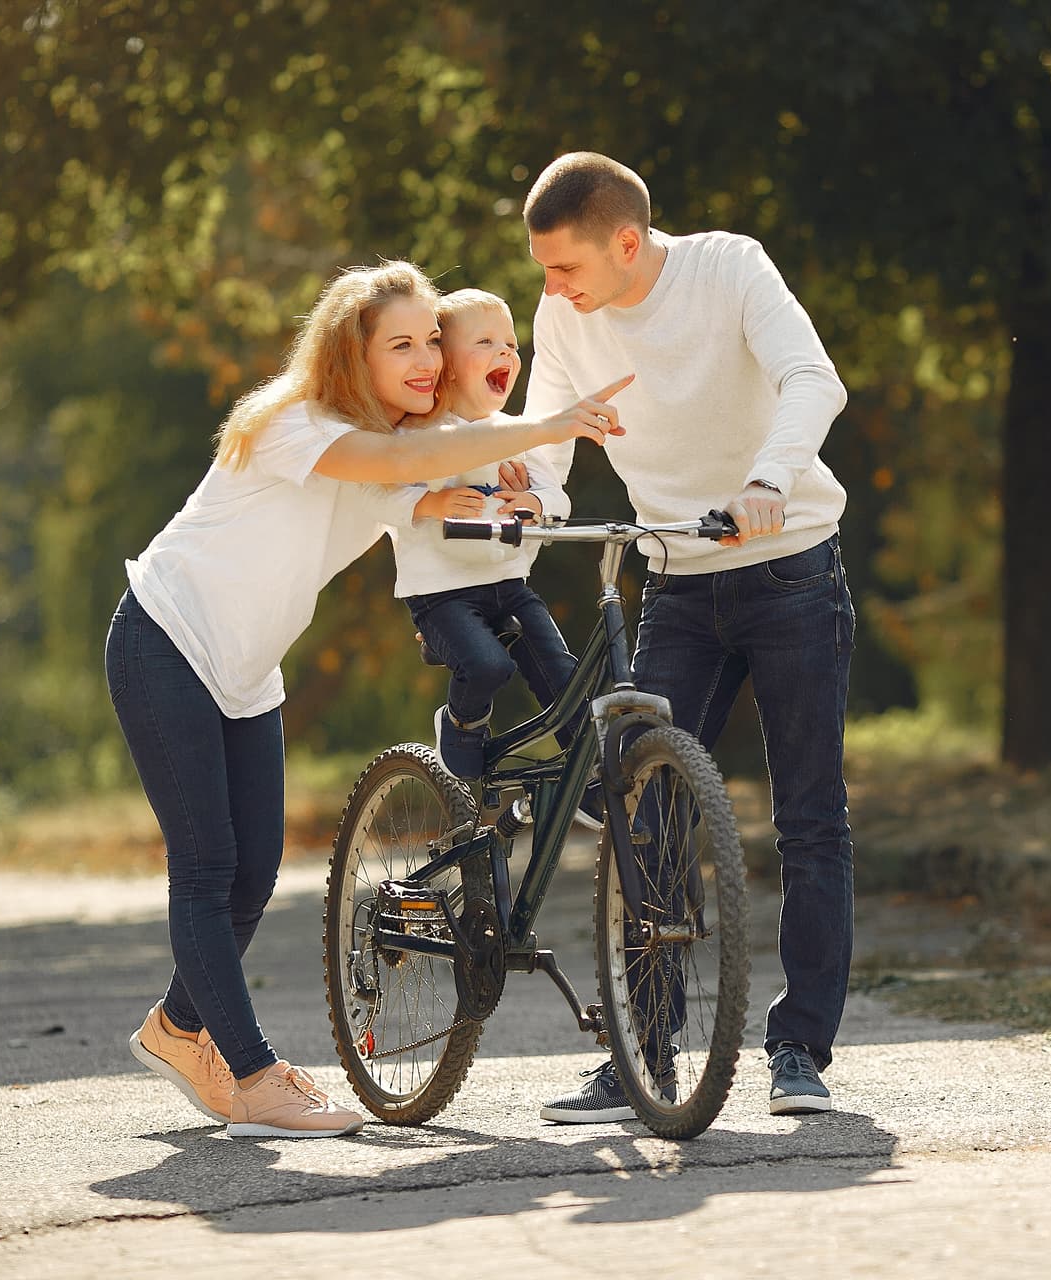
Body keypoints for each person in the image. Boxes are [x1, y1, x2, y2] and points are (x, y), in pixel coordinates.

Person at [109, 261, 629, 1138]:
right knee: (206, 871)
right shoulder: (297, 422)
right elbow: (398, 462)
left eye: (432, 339)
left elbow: (417, 472)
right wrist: (538, 426)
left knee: (252, 879)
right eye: (403, 344)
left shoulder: (392, 441)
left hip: (246, 670)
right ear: (355, 351)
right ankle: (255, 1077)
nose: (427, 358)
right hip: (166, 639)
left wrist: (482, 479)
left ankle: (177, 1030)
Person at [519, 152, 855, 1121]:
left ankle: (800, 1051)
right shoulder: (565, 314)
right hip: (677, 576)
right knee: (643, 811)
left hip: (790, 566)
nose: (553, 289)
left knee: (810, 817)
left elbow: (811, 377)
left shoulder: (729, 268)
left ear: (626, 241)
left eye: (566, 267)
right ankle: (644, 1052)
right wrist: (525, 497)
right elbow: (551, 434)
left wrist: (770, 481)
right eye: (544, 270)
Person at [385, 288, 579, 783]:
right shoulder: (419, 434)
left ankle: (590, 778)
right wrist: (430, 503)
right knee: (490, 667)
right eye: (487, 341)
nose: (507, 353)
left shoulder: (515, 432)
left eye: (512, 344)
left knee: (568, 683)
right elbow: (376, 495)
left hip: (510, 585)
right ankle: (461, 722)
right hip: (441, 593)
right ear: (446, 365)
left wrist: (536, 504)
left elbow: (558, 499)